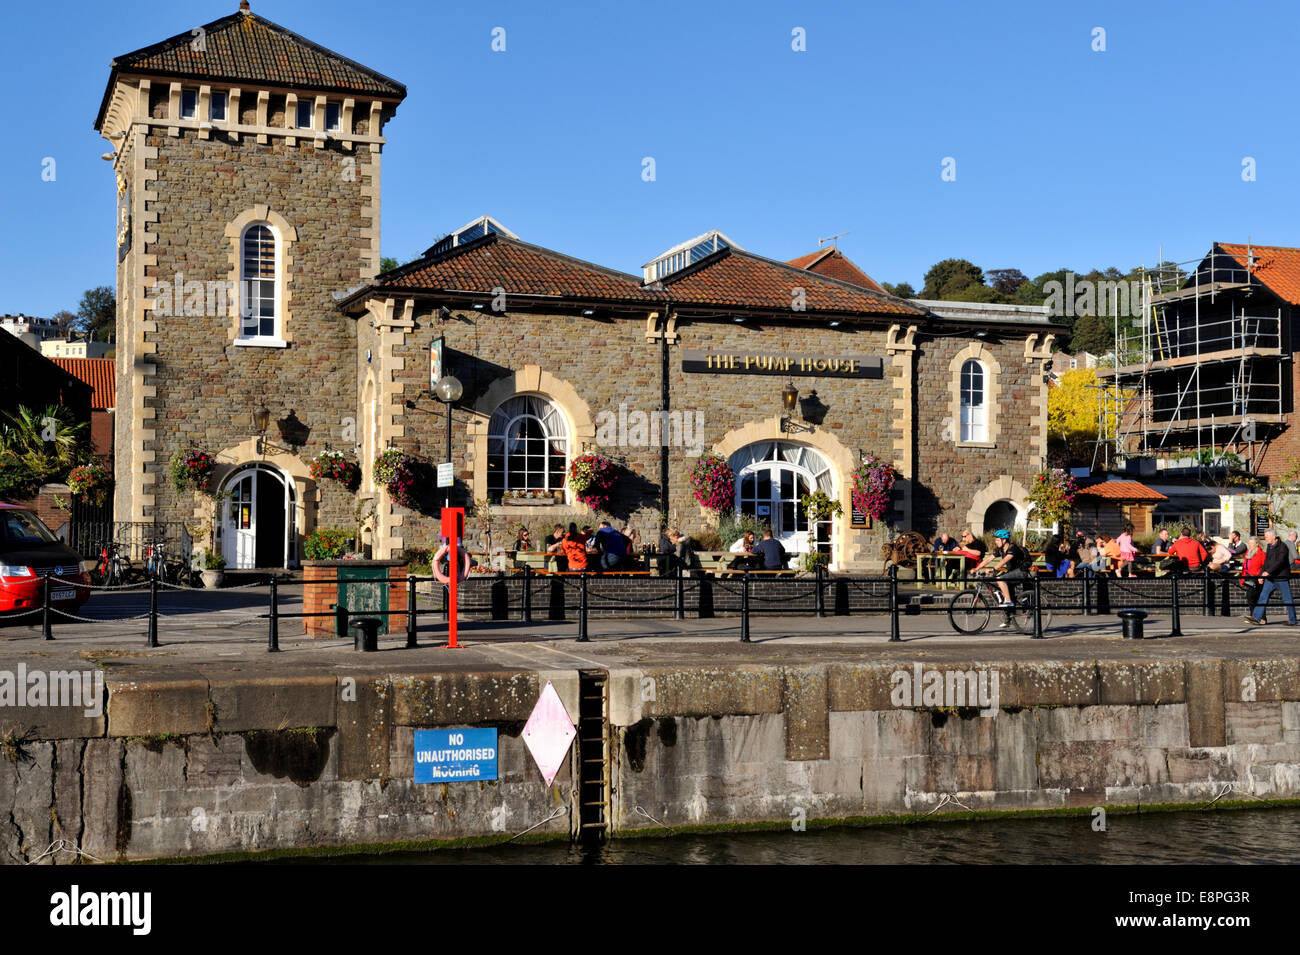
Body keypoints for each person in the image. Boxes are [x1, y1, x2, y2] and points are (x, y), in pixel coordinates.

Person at [1248, 528, 1297, 626]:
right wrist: (1261, 575)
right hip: (1271, 578)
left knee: (1287, 599)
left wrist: (1268, 572)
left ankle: (1293, 620)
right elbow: (1266, 562)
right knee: (1263, 596)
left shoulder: (1283, 547)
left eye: (1267, 537)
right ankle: (1256, 617)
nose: (1265, 539)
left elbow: (1280, 562)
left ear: (1274, 537)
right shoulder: (1269, 546)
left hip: (1281, 577)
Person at [971, 529, 1028, 612]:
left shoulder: (1013, 548)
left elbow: (1004, 560)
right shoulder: (1000, 549)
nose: (995, 542)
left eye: (997, 540)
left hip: (1021, 571)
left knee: (1000, 579)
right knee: (1001, 586)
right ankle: (1009, 615)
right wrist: (976, 569)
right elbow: (988, 559)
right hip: (1011, 572)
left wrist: (993, 569)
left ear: (1004, 540)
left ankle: (1009, 601)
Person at [1239, 536, 1265, 619]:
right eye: (1249, 543)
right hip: (1249, 577)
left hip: (1257, 578)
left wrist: (1261, 577)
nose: (1249, 545)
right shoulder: (1248, 553)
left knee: (1253, 596)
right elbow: (1245, 567)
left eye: (1251, 543)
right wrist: (1242, 579)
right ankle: (1256, 616)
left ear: (1257, 544)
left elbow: (1264, 567)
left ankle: (1256, 616)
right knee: (1252, 597)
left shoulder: (1261, 554)